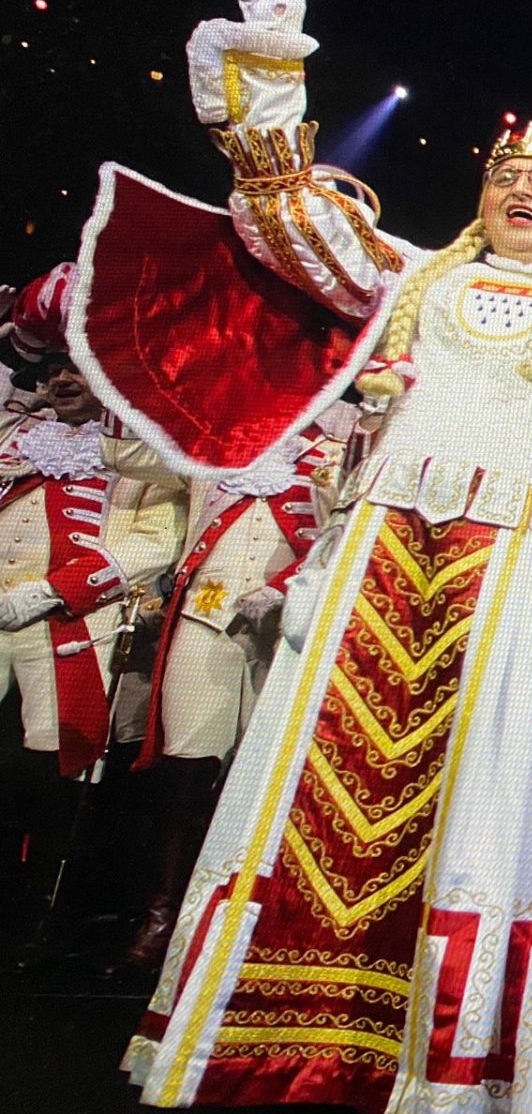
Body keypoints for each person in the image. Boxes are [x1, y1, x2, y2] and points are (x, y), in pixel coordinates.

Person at [72, 0, 532, 1113]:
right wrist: (272, 53)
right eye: (504, 173)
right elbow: (287, 224)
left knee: (486, 816)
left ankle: (461, 1064)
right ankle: (290, 1044)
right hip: (378, 563)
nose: (521, 190)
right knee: (316, 806)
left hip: (525, 583)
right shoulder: (413, 281)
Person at [100, 402, 356, 972]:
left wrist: (290, 584)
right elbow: (127, 453)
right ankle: (164, 919)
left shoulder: (344, 441)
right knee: (184, 770)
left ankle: (251, 928)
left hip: (289, 627)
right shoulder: (216, 436)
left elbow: (350, 531)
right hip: (204, 615)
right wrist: (125, 375)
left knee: (268, 781)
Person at [0, 264, 187, 954]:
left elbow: (152, 545)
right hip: (1, 624)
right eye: (53, 368)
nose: (63, 379)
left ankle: (46, 922)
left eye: (79, 367)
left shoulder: (138, 454)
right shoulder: (18, 436)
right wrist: (17, 338)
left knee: (59, 778)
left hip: (78, 625)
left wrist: (50, 594)